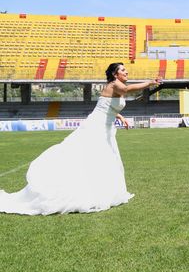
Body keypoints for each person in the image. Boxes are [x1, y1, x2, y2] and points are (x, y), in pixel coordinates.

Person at [0, 63, 162, 215]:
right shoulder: (114, 85)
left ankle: (102, 190)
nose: (126, 72)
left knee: (106, 159)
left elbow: (106, 105)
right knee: (85, 156)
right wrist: (149, 83)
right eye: (123, 70)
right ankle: (84, 191)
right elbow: (127, 90)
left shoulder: (115, 88)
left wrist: (120, 116)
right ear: (115, 74)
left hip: (106, 127)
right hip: (96, 126)